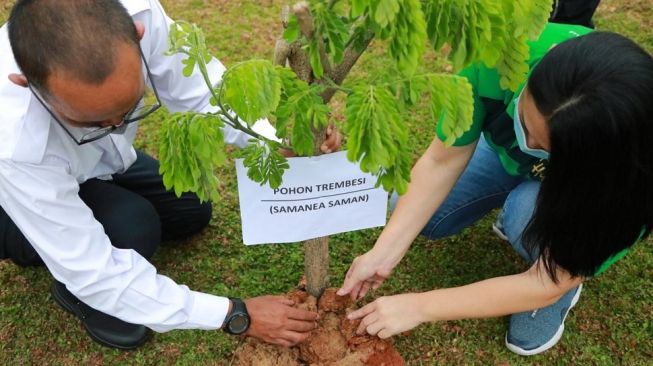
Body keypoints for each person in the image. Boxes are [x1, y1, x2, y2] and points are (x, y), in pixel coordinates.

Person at [0, 0, 340, 350]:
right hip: (12, 202)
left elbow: (203, 96)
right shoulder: (13, 140)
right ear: (27, 84)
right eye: (92, 121)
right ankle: (72, 291)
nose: (117, 125)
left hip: (96, 165)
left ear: (138, 36)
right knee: (134, 225)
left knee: (190, 209)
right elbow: (94, 271)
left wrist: (275, 141)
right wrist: (235, 314)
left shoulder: (140, 15)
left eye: (127, 108)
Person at [338, 22, 653, 356]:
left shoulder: (631, 179)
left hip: (574, 191)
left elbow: (547, 282)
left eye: (545, 146)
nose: (525, 142)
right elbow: (442, 161)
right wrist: (383, 253)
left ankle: (544, 253)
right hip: (505, 157)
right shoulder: (501, 58)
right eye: (524, 120)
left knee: (524, 217)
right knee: (418, 211)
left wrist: (419, 307)